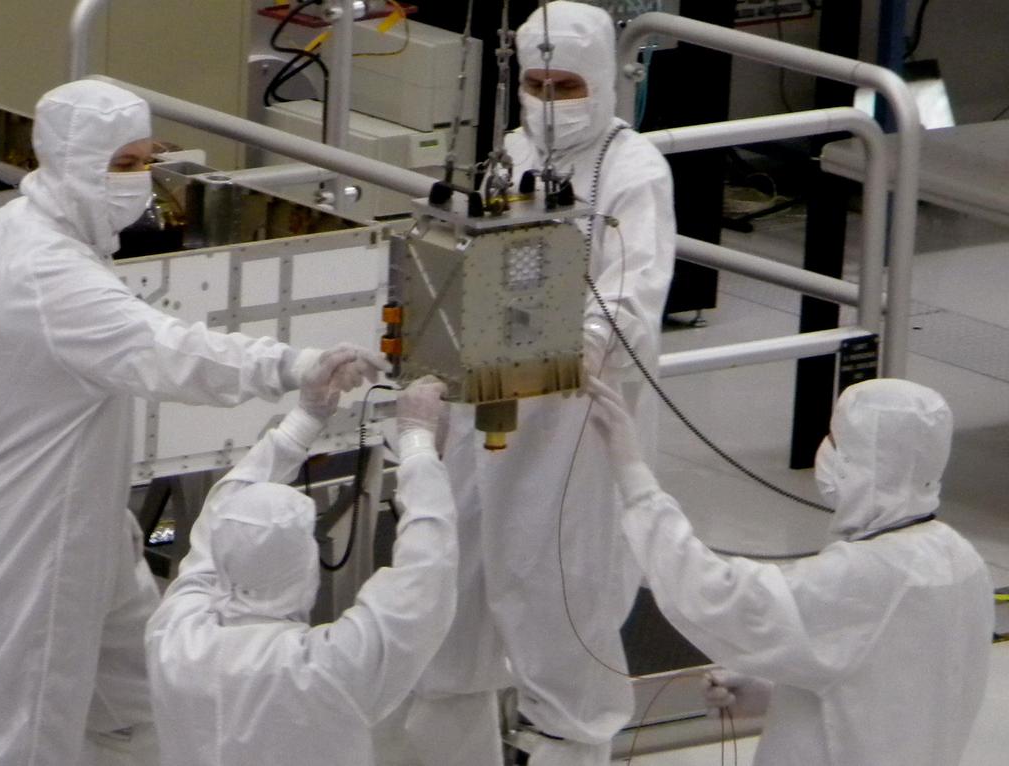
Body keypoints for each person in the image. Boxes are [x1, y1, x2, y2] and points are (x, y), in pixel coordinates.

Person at [0, 79, 384, 766]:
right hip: (37, 539)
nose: (138, 181)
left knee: (143, 703)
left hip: (84, 524)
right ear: (70, 162)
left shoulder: (27, 229)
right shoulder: (43, 271)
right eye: (121, 164)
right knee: (24, 744)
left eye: (146, 161)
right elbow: (168, 351)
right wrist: (293, 366)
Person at [393, 4, 676, 765]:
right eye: (538, 84)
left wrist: (581, 343)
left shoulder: (633, 170)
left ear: (604, 79)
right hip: (490, 399)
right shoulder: (513, 151)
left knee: (557, 586)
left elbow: (635, 288)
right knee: (454, 576)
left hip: (572, 422)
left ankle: (568, 742)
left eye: (567, 86)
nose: (550, 103)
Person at [589, 377, 994, 765]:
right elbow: (894, 688)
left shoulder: (862, 576)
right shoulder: (960, 559)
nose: (826, 450)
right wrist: (777, 694)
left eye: (835, 439)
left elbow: (716, 595)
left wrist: (636, 481)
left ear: (863, 460)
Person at [146, 375, 457, 766]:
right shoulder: (329, 667)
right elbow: (426, 572)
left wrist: (303, 422)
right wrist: (417, 442)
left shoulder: (173, 638)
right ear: (305, 563)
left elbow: (220, 521)